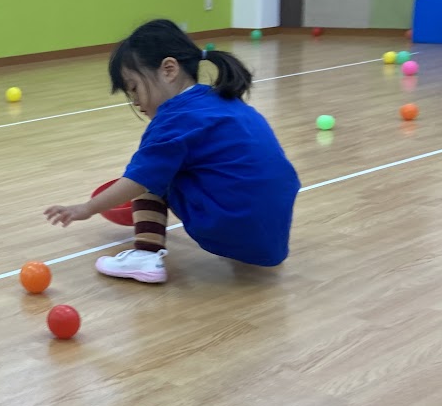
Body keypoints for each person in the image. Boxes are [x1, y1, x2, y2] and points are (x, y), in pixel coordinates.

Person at [44, 19, 300, 283]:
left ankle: (145, 256)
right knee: (162, 165)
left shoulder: (174, 120)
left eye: (134, 88)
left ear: (169, 70)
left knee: (149, 174)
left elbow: (138, 181)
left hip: (232, 223)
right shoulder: (220, 99)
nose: (135, 101)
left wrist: (87, 208)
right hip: (271, 235)